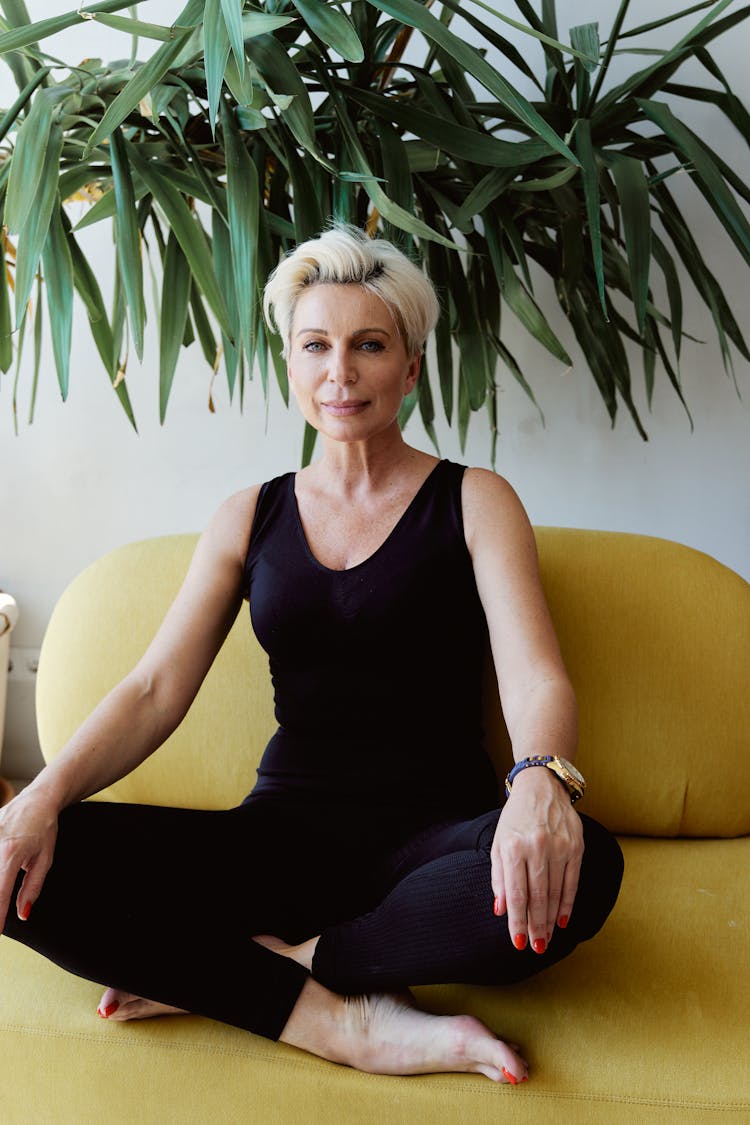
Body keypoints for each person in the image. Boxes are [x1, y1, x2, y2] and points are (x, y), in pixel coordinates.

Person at [0, 224, 623, 1085]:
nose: (341, 371)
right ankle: (339, 1020)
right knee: (23, 859)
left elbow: (533, 673)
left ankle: (265, 966)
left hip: (436, 839)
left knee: (586, 867)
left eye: (369, 345)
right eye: (316, 345)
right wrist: (38, 798)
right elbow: (152, 690)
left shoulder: (476, 500)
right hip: (279, 840)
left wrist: (541, 783)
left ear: (409, 367)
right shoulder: (247, 516)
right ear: (290, 364)